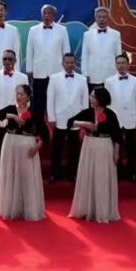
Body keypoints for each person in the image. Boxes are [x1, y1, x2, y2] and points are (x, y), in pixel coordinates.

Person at [68, 87, 123, 224]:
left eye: (93, 97)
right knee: (89, 175)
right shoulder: (87, 112)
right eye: (91, 96)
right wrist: (83, 123)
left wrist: (116, 153)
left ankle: (102, 210)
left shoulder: (111, 114)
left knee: (101, 177)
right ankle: (87, 208)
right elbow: (70, 122)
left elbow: (117, 136)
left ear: (100, 99)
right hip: (89, 146)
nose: (91, 99)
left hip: (104, 146)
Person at [0, 86, 46, 221]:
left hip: (27, 147)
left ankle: (27, 207)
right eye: (17, 94)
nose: (19, 97)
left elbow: (45, 135)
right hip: (10, 145)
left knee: (26, 177)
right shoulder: (10, 109)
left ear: (28, 96)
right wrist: (12, 116)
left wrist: (36, 148)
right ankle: (11, 207)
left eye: (22, 94)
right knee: (11, 175)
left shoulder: (35, 112)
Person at [43, 52, 90, 183]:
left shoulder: (82, 79)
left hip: (76, 119)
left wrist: (83, 120)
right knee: (56, 148)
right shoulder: (54, 78)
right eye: (67, 62)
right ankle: (54, 173)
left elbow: (85, 101)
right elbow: (50, 99)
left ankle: (72, 174)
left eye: (72, 62)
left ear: (75, 64)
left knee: (74, 149)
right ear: (62, 63)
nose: (70, 65)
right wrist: (51, 117)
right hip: (59, 118)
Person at [104, 54, 136, 183]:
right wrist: (107, 118)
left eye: (123, 63)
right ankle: (116, 172)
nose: (121, 65)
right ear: (115, 65)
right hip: (114, 119)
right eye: (118, 63)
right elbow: (107, 102)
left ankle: (132, 172)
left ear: (128, 64)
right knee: (115, 147)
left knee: (131, 148)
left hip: (130, 118)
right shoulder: (109, 81)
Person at [25, 5, 68, 112]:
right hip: (39, 72)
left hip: (57, 71)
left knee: (57, 101)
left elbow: (66, 51)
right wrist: (29, 70)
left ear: (54, 16)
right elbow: (29, 51)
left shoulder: (62, 30)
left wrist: (66, 69)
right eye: (44, 13)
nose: (46, 16)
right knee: (38, 102)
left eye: (49, 13)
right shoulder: (33, 30)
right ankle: (38, 122)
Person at [80, 7, 122, 97]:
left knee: (111, 100)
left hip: (111, 74)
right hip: (93, 75)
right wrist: (85, 74)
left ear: (108, 18)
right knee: (94, 100)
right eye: (99, 17)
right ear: (95, 18)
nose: (101, 19)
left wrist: (119, 73)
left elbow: (118, 55)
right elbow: (85, 56)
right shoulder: (87, 35)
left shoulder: (116, 34)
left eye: (104, 17)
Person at [0, 50, 26, 125]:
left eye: (10, 59)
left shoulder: (23, 78)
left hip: (17, 118)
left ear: (15, 61)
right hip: (0, 117)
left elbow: (25, 100)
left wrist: (22, 116)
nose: (7, 61)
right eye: (5, 59)